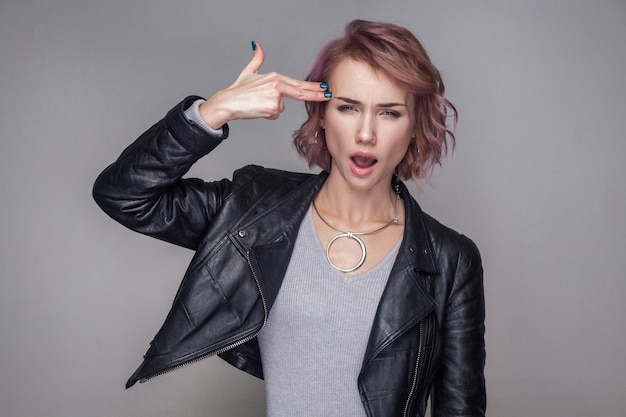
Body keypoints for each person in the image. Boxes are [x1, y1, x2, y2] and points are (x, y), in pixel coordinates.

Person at [93, 19, 485, 417]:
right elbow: (124, 194)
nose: (365, 133)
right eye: (348, 107)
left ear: (415, 128)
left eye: (389, 113)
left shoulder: (450, 259)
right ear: (322, 114)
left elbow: (460, 407)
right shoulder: (254, 212)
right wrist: (216, 110)